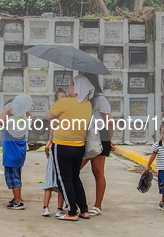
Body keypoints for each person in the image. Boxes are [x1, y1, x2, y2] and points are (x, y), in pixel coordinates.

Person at [44, 75, 94, 221]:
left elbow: (48, 116)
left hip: (62, 145)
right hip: (79, 146)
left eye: (71, 85)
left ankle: (72, 211)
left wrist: (58, 106)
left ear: (77, 88)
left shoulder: (65, 102)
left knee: (64, 180)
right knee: (75, 178)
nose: (68, 88)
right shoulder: (87, 104)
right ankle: (83, 210)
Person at [80, 72, 116, 216]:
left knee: (98, 172)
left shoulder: (100, 99)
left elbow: (109, 121)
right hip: (88, 136)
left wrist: (109, 140)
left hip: (100, 137)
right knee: (75, 169)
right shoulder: (86, 100)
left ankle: (97, 205)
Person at [0, 94, 33, 210]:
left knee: (13, 179)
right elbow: (31, 120)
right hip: (20, 155)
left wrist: (7, 108)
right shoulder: (23, 121)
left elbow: (0, 121)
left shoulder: (11, 123)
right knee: (17, 176)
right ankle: (17, 197)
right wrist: (26, 109)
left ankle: (18, 202)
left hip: (11, 156)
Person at [42, 88, 67, 217]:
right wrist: (48, 147)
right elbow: (51, 135)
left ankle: (59, 208)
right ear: (56, 101)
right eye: (61, 98)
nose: (64, 100)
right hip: (55, 152)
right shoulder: (56, 117)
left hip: (61, 151)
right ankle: (45, 207)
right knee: (49, 183)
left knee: (61, 183)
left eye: (66, 97)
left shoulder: (65, 115)